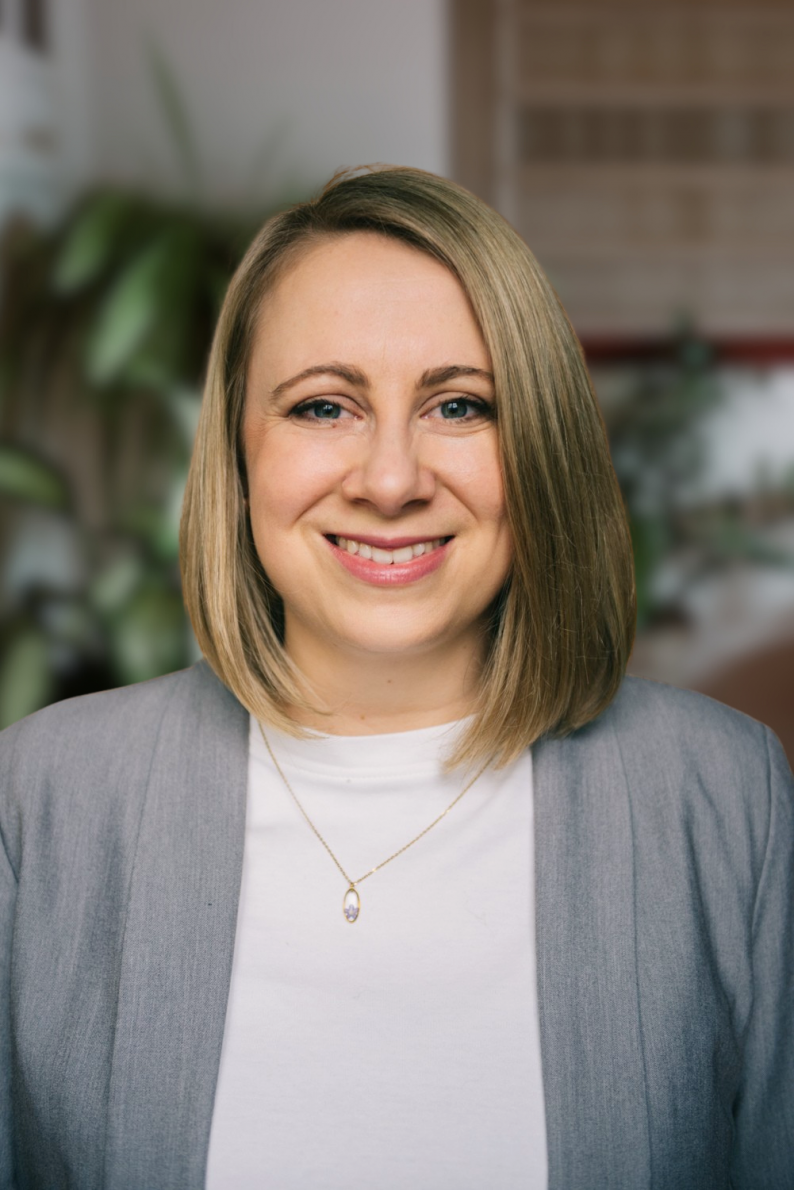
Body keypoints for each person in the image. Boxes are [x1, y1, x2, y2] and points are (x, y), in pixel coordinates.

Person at [0, 166, 791, 1190]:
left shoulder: (723, 792)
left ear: (540, 447)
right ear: (238, 451)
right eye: (322, 406)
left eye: (459, 405)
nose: (388, 480)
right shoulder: (41, 796)